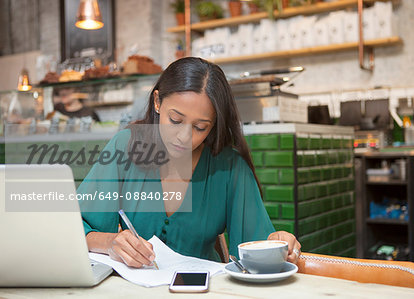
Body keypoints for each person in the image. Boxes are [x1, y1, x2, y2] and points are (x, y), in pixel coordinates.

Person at [78, 57, 301, 268]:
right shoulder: (125, 146)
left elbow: (257, 247)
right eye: (175, 120)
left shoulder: (230, 167)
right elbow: (72, 227)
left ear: (214, 125)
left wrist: (279, 241)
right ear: (157, 102)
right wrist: (109, 243)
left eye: (200, 127)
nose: (183, 136)